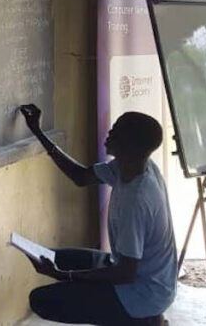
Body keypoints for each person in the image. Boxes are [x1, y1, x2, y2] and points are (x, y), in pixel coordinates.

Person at [18, 104, 177, 326]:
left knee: (42, 300)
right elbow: (80, 176)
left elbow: (125, 275)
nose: (109, 133)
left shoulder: (137, 200)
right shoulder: (132, 165)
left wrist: (66, 276)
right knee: (50, 256)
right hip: (135, 271)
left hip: (143, 292)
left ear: (129, 145)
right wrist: (38, 132)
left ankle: (141, 320)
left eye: (116, 131)